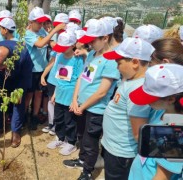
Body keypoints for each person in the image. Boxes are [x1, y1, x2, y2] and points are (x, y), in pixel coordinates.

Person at [63, 19, 120, 180]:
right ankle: (82, 159)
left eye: (94, 40)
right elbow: (82, 78)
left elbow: (102, 92)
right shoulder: (92, 55)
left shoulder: (110, 60)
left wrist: (83, 106)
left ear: (105, 38)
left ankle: (88, 170)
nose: (91, 44)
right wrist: (75, 100)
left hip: (95, 109)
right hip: (81, 105)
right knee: (81, 135)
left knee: (90, 140)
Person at [127, 38, 183, 180]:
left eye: (150, 97)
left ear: (170, 99)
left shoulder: (175, 133)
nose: (147, 102)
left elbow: (162, 177)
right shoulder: (164, 112)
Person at [101, 37, 155, 179]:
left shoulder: (138, 89)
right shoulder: (132, 80)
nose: (116, 66)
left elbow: (139, 134)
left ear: (135, 62)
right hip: (115, 147)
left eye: (119, 63)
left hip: (122, 153)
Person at [25, 7, 66, 130]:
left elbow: (51, 43)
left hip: (42, 69)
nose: (41, 24)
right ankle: (23, 115)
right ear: (31, 22)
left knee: (38, 93)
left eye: (42, 22)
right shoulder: (28, 34)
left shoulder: (42, 32)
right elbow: (40, 44)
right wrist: (53, 31)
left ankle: (35, 116)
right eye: (38, 22)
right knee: (28, 95)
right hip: (31, 70)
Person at [46, 32, 83, 156]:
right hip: (60, 93)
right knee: (59, 118)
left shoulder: (77, 59)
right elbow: (59, 77)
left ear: (73, 45)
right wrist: (55, 93)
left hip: (70, 95)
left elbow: (79, 79)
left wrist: (75, 99)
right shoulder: (60, 56)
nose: (61, 50)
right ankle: (60, 138)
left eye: (64, 47)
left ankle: (71, 142)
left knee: (70, 121)